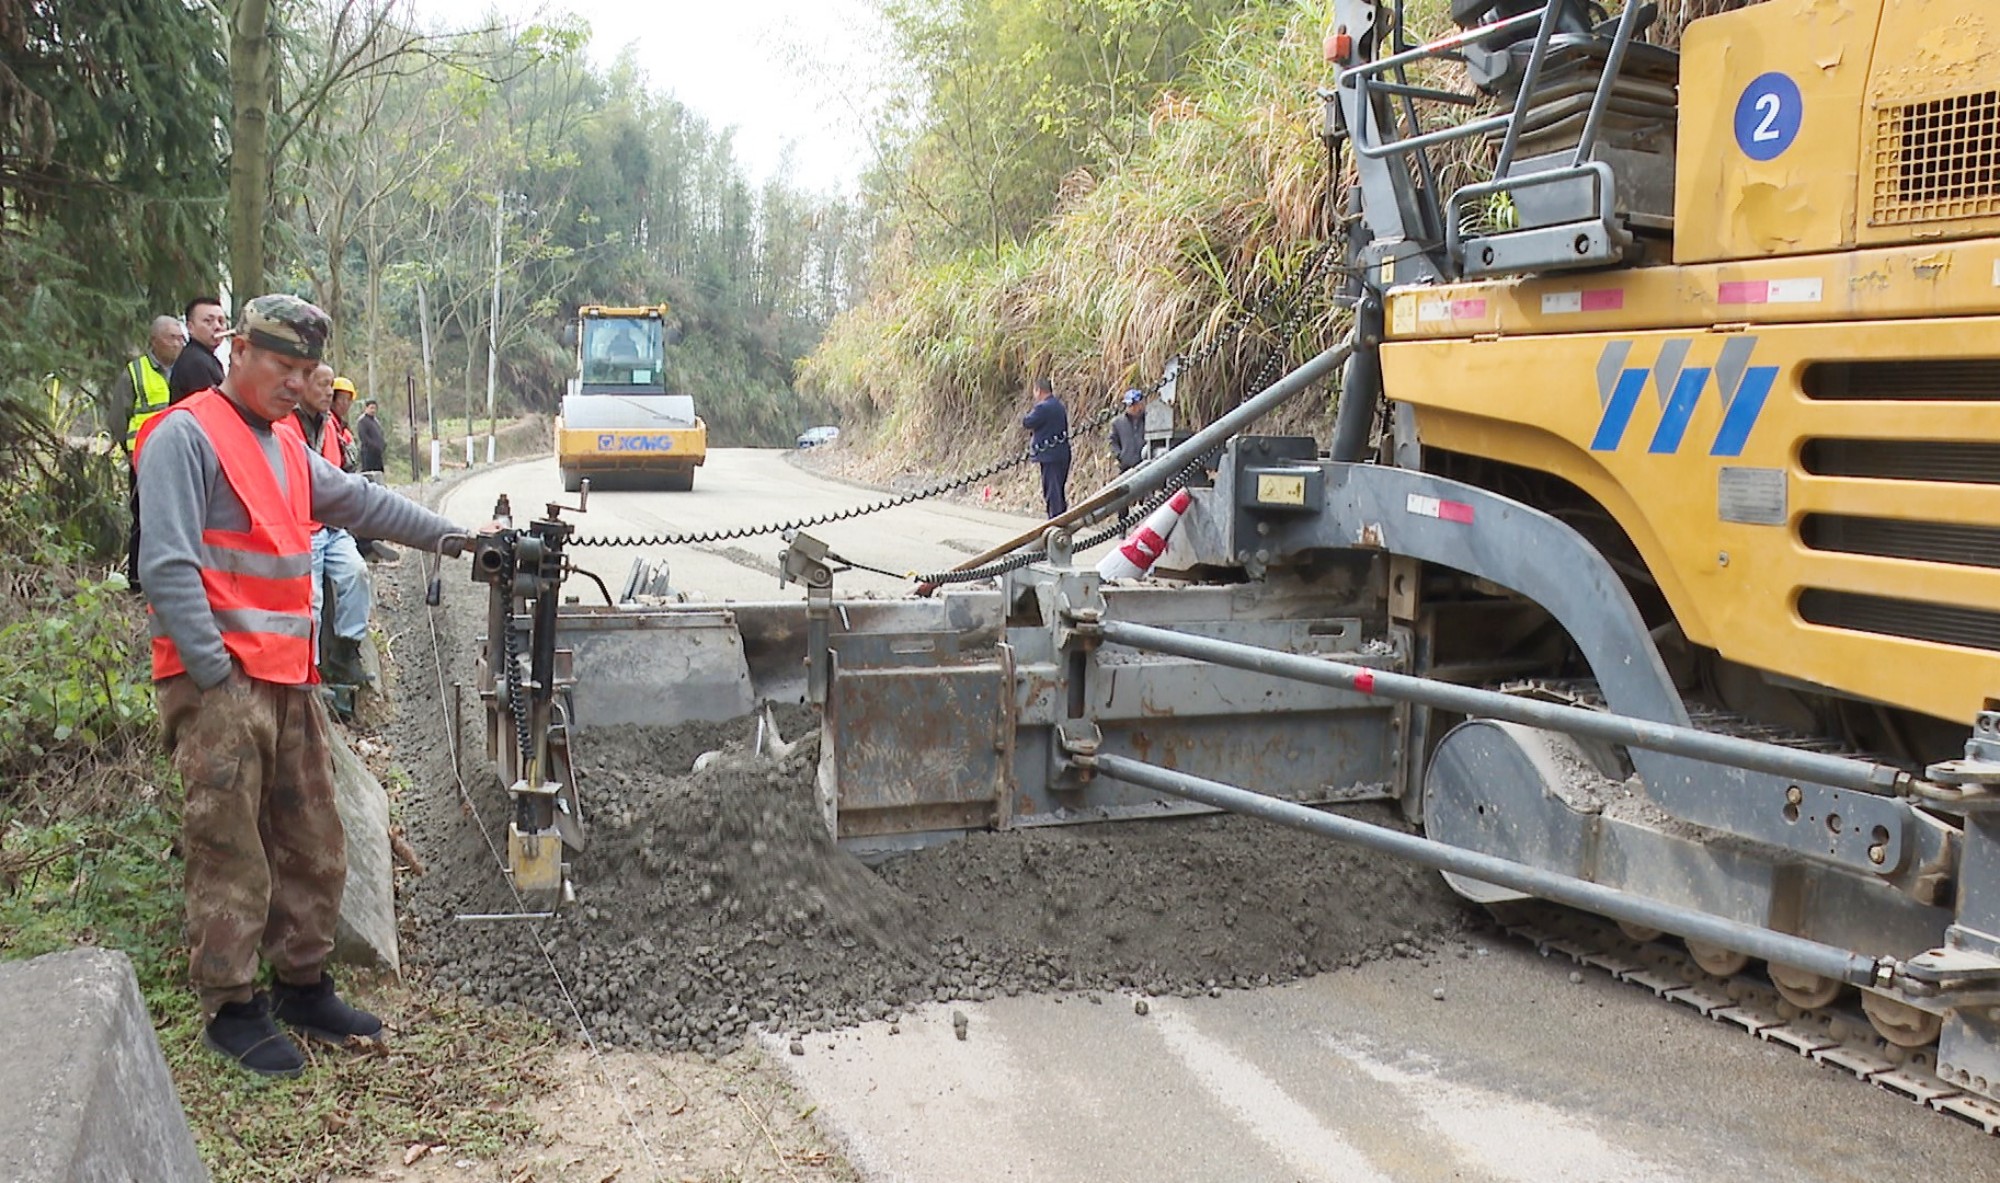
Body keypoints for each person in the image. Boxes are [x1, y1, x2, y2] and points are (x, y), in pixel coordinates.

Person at [134, 294, 476, 1079]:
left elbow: (360, 500)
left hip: (288, 679)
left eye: (305, 370)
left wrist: (455, 538)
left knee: (315, 839)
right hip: (222, 684)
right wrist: (214, 672)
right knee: (229, 845)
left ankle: (302, 983)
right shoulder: (187, 437)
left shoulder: (286, 443)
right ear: (239, 353)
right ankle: (232, 1005)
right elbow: (168, 564)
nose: (296, 383)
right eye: (281, 366)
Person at [294, 364, 375, 686]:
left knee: (357, 573)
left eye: (332, 385)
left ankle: (346, 650)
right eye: (322, 384)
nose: (328, 392)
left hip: (331, 525)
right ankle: (308, 673)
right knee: (310, 601)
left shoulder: (330, 428)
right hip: (302, 527)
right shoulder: (286, 425)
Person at [109, 315, 187, 453]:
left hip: (179, 452)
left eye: (180, 338)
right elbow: (118, 418)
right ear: (154, 341)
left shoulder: (188, 368)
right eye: (171, 338)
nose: (177, 344)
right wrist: (128, 449)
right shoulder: (135, 371)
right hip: (144, 453)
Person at [1022, 376, 1071, 518]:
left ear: (1039, 390)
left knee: (1052, 491)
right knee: (1059, 489)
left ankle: (1055, 520)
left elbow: (1028, 422)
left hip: (1049, 455)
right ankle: (1061, 517)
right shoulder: (1059, 406)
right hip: (1062, 453)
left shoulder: (1043, 407)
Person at [169, 296, 228, 403]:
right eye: (208, 321)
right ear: (190, 327)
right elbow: (210, 408)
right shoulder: (195, 362)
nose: (217, 327)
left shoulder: (203, 356)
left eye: (221, 321)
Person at [1109, 388, 1147, 472]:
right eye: (1130, 405)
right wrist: (1120, 455)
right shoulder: (1117, 423)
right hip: (1126, 468)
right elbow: (1112, 442)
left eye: (1135, 404)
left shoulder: (1149, 419)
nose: (1133, 408)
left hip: (1146, 465)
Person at [354, 397, 387, 474]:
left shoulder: (375, 421)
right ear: (366, 408)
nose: (373, 410)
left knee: (379, 474)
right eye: (371, 408)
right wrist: (374, 446)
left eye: (375, 408)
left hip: (377, 454)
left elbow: (380, 434)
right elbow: (364, 437)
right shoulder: (362, 421)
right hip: (368, 453)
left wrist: (382, 445)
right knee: (369, 475)